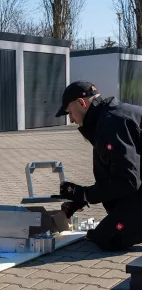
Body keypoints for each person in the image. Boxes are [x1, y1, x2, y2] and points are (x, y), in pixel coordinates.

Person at [55, 80, 142, 251]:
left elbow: (128, 182)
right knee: (107, 228)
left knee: (107, 237)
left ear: (81, 103)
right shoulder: (108, 117)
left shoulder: (111, 124)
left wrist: (86, 194)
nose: (71, 120)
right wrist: (83, 198)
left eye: (70, 113)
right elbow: (115, 174)